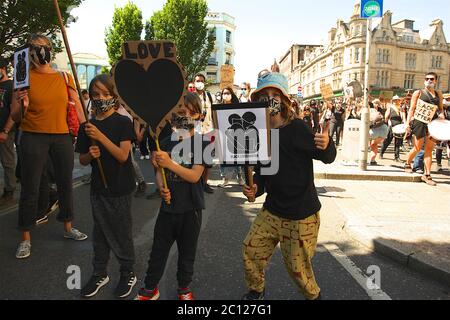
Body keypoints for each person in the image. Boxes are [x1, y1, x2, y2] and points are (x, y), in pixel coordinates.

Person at [241, 70, 336, 300]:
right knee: (250, 250)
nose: (270, 98)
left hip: (300, 216)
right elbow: (264, 174)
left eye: (276, 94)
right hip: (272, 211)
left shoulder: (298, 128)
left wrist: (326, 144)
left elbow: (327, 157)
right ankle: (256, 292)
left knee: (299, 272)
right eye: (264, 94)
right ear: (256, 101)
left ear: (284, 100)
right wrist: (256, 189)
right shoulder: (258, 134)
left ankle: (314, 298)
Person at [11, 34, 87, 259]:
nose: (42, 51)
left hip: (62, 136)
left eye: (46, 47)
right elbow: (16, 115)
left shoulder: (64, 77)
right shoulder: (23, 78)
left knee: (65, 183)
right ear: (30, 52)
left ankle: (68, 226)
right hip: (33, 137)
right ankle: (25, 238)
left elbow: (78, 109)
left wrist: (88, 131)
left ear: (51, 50)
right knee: (30, 187)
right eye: (37, 48)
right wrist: (22, 101)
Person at [136, 92, 209, 301]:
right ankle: (150, 288)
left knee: (187, 254)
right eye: (178, 112)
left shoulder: (202, 143)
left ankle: (184, 288)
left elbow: (195, 176)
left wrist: (170, 164)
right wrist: (161, 187)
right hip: (168, 209)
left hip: (191, 210)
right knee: (158, 251)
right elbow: (160, 173)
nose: (182, 116)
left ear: (197, 115)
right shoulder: (166, 141)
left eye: (187, 112)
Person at [76, 74, 137, 298]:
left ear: (114, 96)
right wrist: (89, 156)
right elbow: (82, 159)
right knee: (100, 232)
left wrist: (100, 137)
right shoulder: (88, 126)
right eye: (95, 95)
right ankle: (99, 272)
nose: (100, 98)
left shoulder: (123, 122)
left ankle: (128, 271)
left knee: (121, 232)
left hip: (120, 187)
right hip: (98, 187)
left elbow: (122, 155)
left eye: (105, 94)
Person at [404, 72, 445, 186]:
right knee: (417, 148)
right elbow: (411, 109)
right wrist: (407, 123)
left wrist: (441, 115)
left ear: (436, 81)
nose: (429, 81)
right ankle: (407, 163)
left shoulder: (438, 93)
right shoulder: (418, 93)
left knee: (429, 149)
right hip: (420, 122)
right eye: (427, 79)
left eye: (431, 79)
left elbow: (441, 109)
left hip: (433, 123)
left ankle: (427, 174)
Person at [218, 87, 245, 187]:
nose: (226, 95)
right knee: (223, 157)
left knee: (237, 157)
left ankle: (240, 177)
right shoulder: (218, 107)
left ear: (232, 94)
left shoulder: (237, 106)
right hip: (223, 135)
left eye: (228, 93)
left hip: (236, 135)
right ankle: (225, 179)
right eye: (224, 93)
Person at [194, 73, 215, 194]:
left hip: (209, 131)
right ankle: (197, 183)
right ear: (194, 82)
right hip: (196, 132)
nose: (199, 83)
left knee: (208, 161)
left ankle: (205, 184)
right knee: (197, 160)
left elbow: (214, 114)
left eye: (201, 81)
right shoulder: (190, 97)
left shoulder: (209, 96)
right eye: (197, 81)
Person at [0, 57, 17, 206]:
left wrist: (5, 130)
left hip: (6, 132)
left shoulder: (11, 86)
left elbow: (13, 111)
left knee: (7, 162)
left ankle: (9, 191)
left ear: (3, 69)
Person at [380, 96, 406, 162]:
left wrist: (405, 125)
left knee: (398, 142)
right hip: (392, 125)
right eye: (394, 100)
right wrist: (388, 124)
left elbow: (404, 118)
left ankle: (397, 157)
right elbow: (386, 118)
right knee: (388, 140)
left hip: (399, 126)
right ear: (393, 101)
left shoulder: (401, 109)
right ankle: (381, 153)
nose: (396, 101)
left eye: (397, 100)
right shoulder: (390, 108)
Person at [368, 99, 388, 165]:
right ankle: (373, 160)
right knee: (374, 144)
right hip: (384, 130)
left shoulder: (368, 110)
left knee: (365, 143)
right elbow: (386, 118)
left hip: (373, 131)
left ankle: (362, 159)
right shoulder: (382, 110)